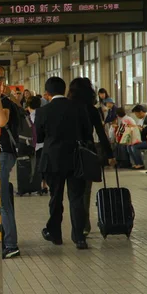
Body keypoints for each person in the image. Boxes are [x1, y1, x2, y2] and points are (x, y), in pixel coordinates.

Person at [35, 77, 90, 250]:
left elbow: (40, 136)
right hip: (76, 158)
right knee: (76, 198)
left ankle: (56, 234)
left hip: (53, 160)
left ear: (48, 93)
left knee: (55, 197)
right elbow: (88, 132)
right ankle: (79, 237)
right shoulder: (79, 107)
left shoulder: (43, 111)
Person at [67, 78, 116, 236]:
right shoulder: (92, 110)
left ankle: (77, 226)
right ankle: (84, 225)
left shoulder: (67, 108)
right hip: (87, 152)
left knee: (73, 193)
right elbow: (101, 134)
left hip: (68, 152)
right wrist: (109, 155)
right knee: (85, 191)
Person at [0, 79, 20, 259]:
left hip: (4, 154)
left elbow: (0, 121)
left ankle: (11, 244)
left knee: (3, 201)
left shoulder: (5, 102)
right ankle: (5, 241)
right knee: (0, 200)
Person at [26, 96, 48, 194]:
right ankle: (44, 185)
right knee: (43, 165)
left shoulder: (28, 117)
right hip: (43, 144)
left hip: (33, 145)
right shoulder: (43, 115)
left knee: (33, 165)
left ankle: (34, 184)